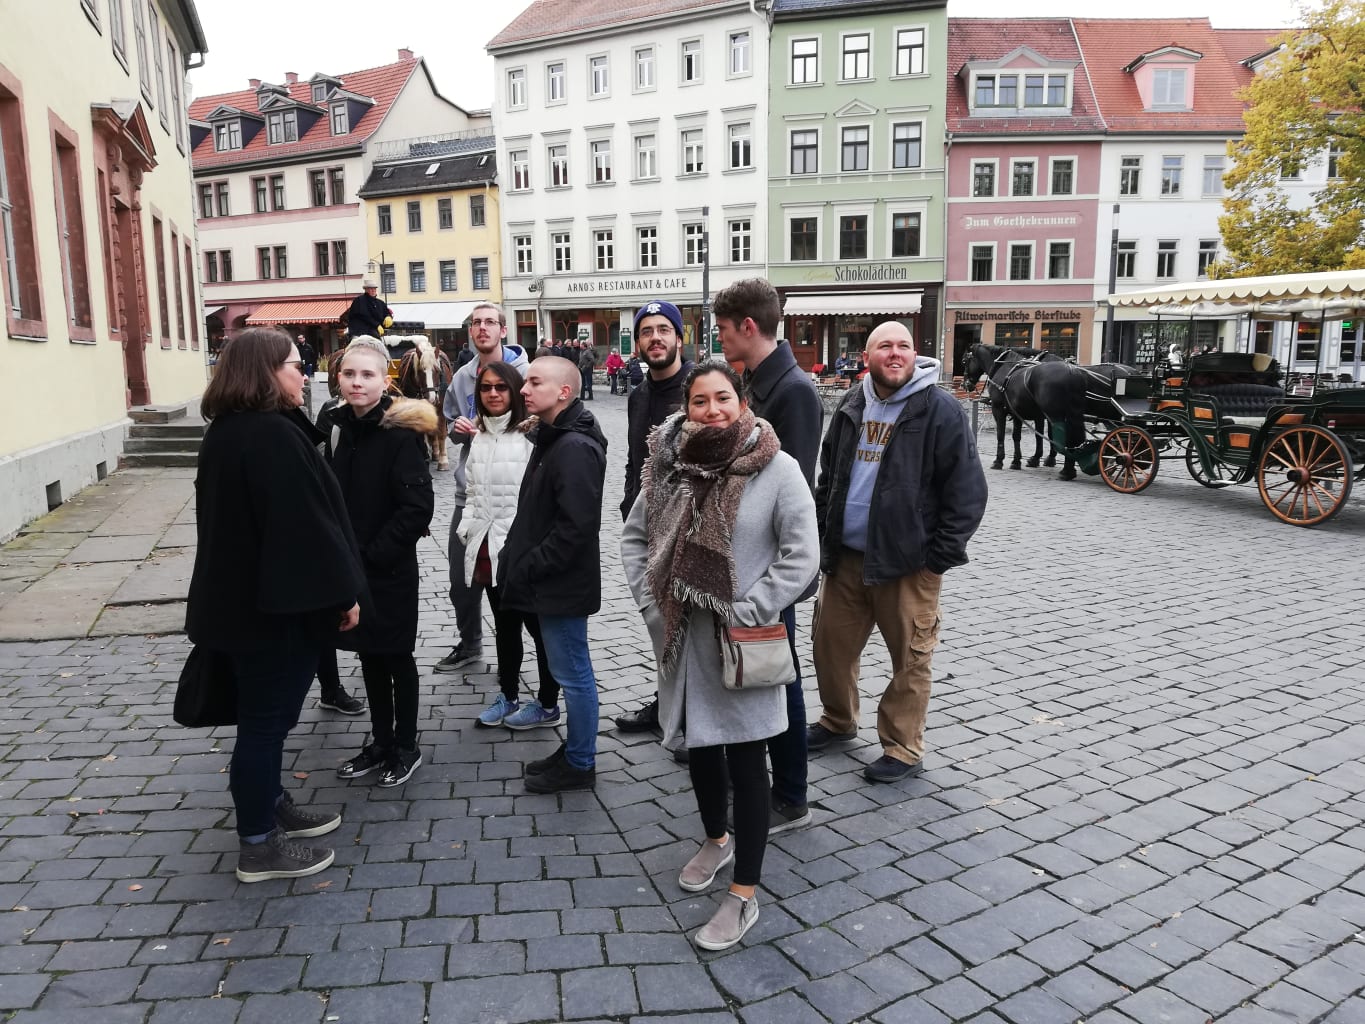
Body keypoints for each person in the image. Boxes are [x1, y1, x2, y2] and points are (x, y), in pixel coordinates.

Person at [622, 363, 818, 950]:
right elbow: (634, 536)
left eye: (723, 398)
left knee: (748, 759)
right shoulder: (667, 465)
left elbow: (803, 553)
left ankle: (744, 894)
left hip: (742, 641)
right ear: (686, 407)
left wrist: (753, 608)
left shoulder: (775, 467)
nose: (713, 410)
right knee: (700, 747)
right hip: (682, 637)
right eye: (701, 400)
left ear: (742, 400)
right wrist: (651, 604)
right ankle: (715, 837)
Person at [186, 328, 365, 882]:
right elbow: (303, 532)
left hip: (248, 604)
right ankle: (258, 845)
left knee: (268, 723)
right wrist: (342, 595)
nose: (302, 373)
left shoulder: (234, 431)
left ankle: (272, 804)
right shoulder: (267, 436)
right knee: (264, 727)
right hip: (273, 612)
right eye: (294, 364)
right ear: (265, 373)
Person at [810, 322, 987, 782]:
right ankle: (838, 719)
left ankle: (903, 746)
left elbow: (968, 492)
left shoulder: (940, 410)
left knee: (910, 659)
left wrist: (936, 561)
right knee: (829, 647)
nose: (895, 353)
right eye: (884, 346)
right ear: (866, 355)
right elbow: (830, 474)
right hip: (846, 558)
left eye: (904, 346)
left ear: (916, 354)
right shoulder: (851, 402)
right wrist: (823, 527)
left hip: (908, 565)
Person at [713, 277, 823, 834]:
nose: (720, 340)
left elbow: (793, 490)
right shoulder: (757, 381)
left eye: (723, 331)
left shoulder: (793, 390)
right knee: (763, 671)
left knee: (781, 676)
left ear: (748, 327)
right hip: (748, 558)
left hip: (772, 568)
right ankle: (759, 773)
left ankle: (792, 795)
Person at [329, 337, 436, 788]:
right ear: (338, 378)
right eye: (350, 374)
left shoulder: (399, 433)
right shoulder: (338, 427)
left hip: (387, 569)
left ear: (384, 379)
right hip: (353, 568)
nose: (357, 382)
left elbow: (416, 508)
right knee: (369, 657)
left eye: (367, 375)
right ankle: (381, 740)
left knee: (396, 657)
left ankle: (406, 744)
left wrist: (372, 555)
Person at [497, 357, 607, 793]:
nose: (524, 389)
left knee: (574, 674)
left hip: (560, 585)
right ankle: (576, 751)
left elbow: (575, 528)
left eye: (534, 382)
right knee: (569, 671)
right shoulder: (555, 437)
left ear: (564, 392)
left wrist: (529, 566)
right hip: (553, 582)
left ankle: (581, 762)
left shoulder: (573, 446)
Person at [457, 361, 562, 730]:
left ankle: (548, 702)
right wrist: (468, 527)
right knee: (504, 626)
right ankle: (509, 693)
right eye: (486, 388)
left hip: (522, 551)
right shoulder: (480, 437)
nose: (494, 394)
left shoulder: (531, 437)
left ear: (515, 391)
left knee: (538, 630)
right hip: (488, 548)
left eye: (501, 387)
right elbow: (471, 490)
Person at [614, 300, 694, 736]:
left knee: (693, 625)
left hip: (689, 527)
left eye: (664, 329)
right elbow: (634, 459)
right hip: (648, 529)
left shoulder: (695, 389)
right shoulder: (639, 395)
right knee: (659, 623)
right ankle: (668, 704)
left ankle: (695, 715)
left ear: (679, 337)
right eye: (647, 332)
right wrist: (630, 508)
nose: (656, 338)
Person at [437, 304, 530, 675]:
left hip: (513, 494)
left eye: (490, 322)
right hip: (471, 492)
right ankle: (471, 642)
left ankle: (521, 652)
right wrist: (458, 430)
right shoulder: (461, 378)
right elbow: (449, 421)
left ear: (503, 330)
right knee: (461, 576)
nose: (482, 328)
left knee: (511, 582)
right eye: (476, 323)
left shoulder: (528, 373)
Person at [310, 376, 365, 717]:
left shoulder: (395, 416)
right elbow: (317, 458)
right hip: (333, 520)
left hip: (367, 528)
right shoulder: (330, 412)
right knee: (327, 609)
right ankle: (330, 687)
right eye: (349, 374)